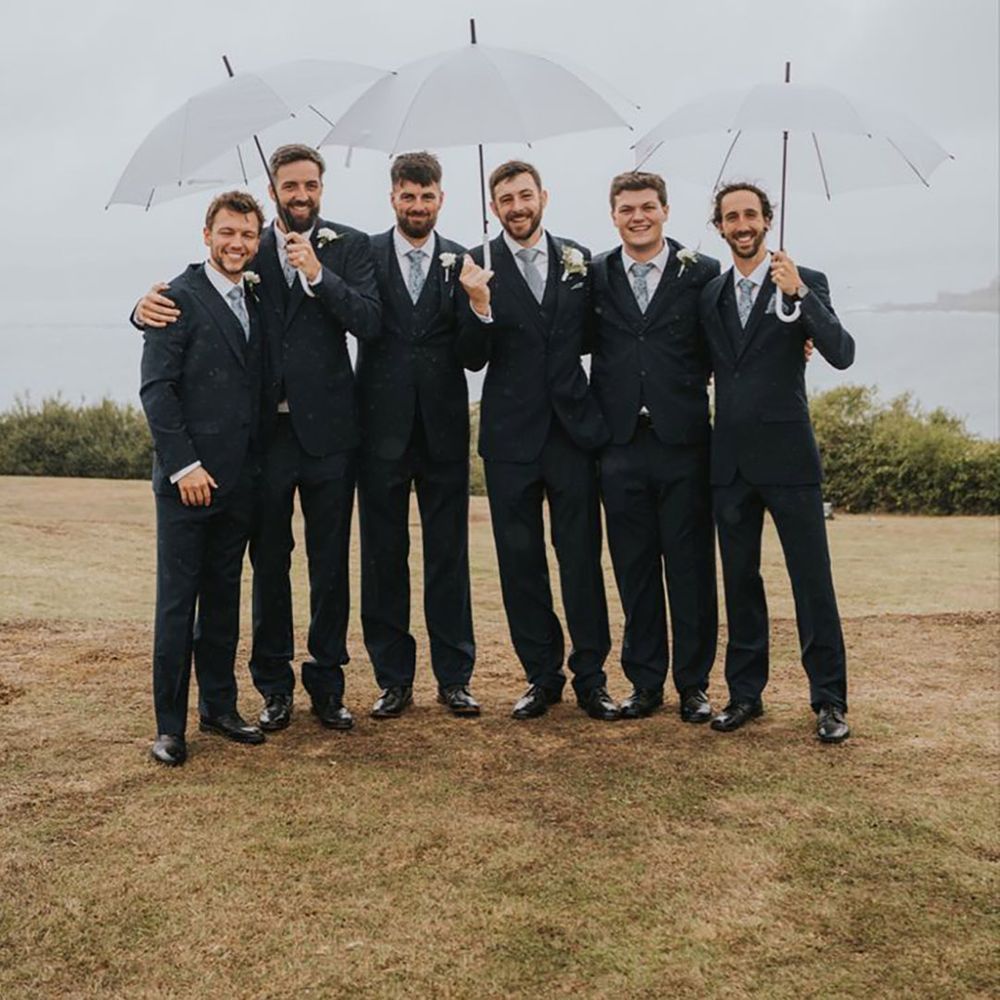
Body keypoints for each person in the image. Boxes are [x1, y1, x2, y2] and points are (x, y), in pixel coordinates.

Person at [134, 144, 381, 734]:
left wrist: (320, 276)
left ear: (322, 189)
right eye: (289, 186)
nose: (301, 195)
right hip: (265, 439)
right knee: (269, 564)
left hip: (331, 436)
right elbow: (195, 303)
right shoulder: (250, 251)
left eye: (310, 186)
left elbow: (371, 323)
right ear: (274, 193)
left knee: (329, 566)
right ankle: (272, 685)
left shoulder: (353, 247)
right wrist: (141, 309)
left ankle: (327, 683)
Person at [457, 160, 617, 721]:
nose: (517, 206)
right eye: (506, 198)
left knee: (580, 558)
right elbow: (470, 357)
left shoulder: (580, 259)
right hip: (508, 439)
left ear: (543, 196)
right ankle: (540, 675)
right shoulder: (476, 266)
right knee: (519, 562)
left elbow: (606, 337)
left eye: (525, 195)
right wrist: (478, 305)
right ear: (493, 207)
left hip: (573, 433)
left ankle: (592, 677)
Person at [700, 182, 854, 743]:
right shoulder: (709, 294)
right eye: (730, 216)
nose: (741, 224)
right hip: (730, 465)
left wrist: (802, 299)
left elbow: (841, 351)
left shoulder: (803, 279)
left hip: (790, 460)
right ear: (718, 226)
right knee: (740, 582)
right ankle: (745, 695)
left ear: (768, 219)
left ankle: (830, 701)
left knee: (812, 582)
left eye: (750, 214)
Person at [140, 191, 268, 766]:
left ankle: (219, 707)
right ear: (206, 234)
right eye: (227, 233)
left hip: (240, 481)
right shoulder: (175, 298)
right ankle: (169, 727)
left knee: (223, 600)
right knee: (177, 604)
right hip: (188, 481)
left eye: (246, 234)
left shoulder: (257, 297)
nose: (237, 243)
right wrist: (184, 465)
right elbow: (157, 391)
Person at [588, 171, 720, 722]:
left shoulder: (702, 273)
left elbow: (727, 340)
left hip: (684, 440)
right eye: (626, 209)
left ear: (665, 210)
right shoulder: (594, 274)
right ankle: (645, 683)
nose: (637, 216)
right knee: (634, 568)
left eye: (647, 207)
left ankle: (694, 684)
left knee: (690, 568)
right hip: (619, 445)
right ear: (613, 216)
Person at [356, 151, 478, 719]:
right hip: (378, 431)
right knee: (384, 556)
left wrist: (480, 304)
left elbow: (475, 358)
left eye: (427, 196)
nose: (418, 205)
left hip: (444, 432)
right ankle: (393, 679)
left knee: (448, 557)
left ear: (441, 199)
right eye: (408, 195)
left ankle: (454, 677)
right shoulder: (365, 255)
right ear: (393, 198)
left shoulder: (464, 261)